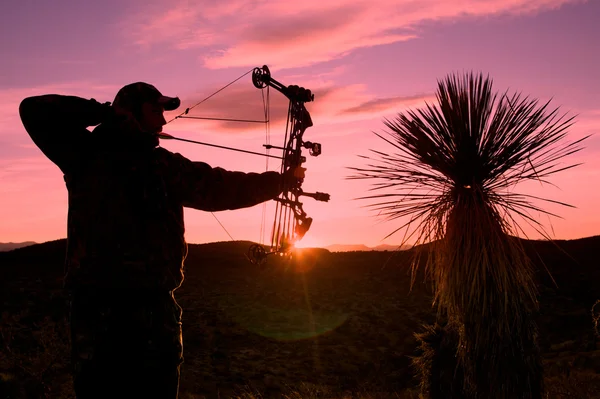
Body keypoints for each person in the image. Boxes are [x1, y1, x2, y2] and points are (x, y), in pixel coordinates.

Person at [19, 82, 296, 399]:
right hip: (99, 311)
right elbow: (34, 110)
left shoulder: (163, 165)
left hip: (154, 309)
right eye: (155, 111)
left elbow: (220, 187)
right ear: (128, 112)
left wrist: (280, 182)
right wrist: (102, 111)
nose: (163, 122)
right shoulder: (85, 154)